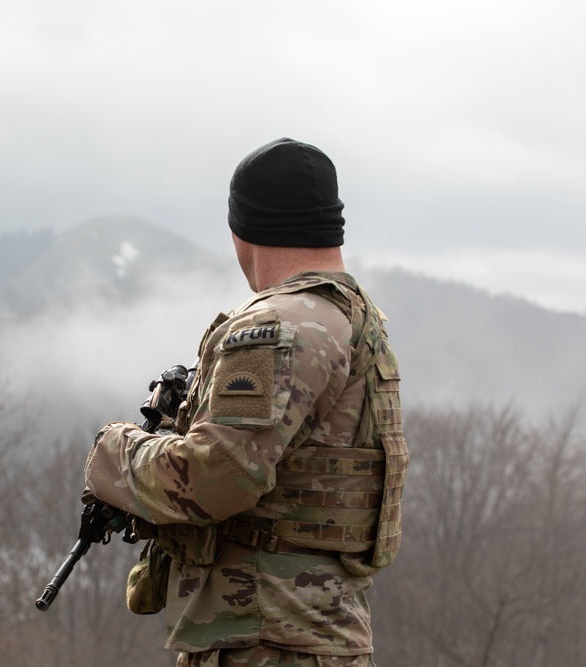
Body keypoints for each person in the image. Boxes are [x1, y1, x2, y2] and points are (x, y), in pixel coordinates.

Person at [83, 138, 409, 667]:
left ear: (243, 229)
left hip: (267, 638)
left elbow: (217, 474)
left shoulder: (279, 325)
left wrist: (114, 452)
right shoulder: (351, 316)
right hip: (300, 634)